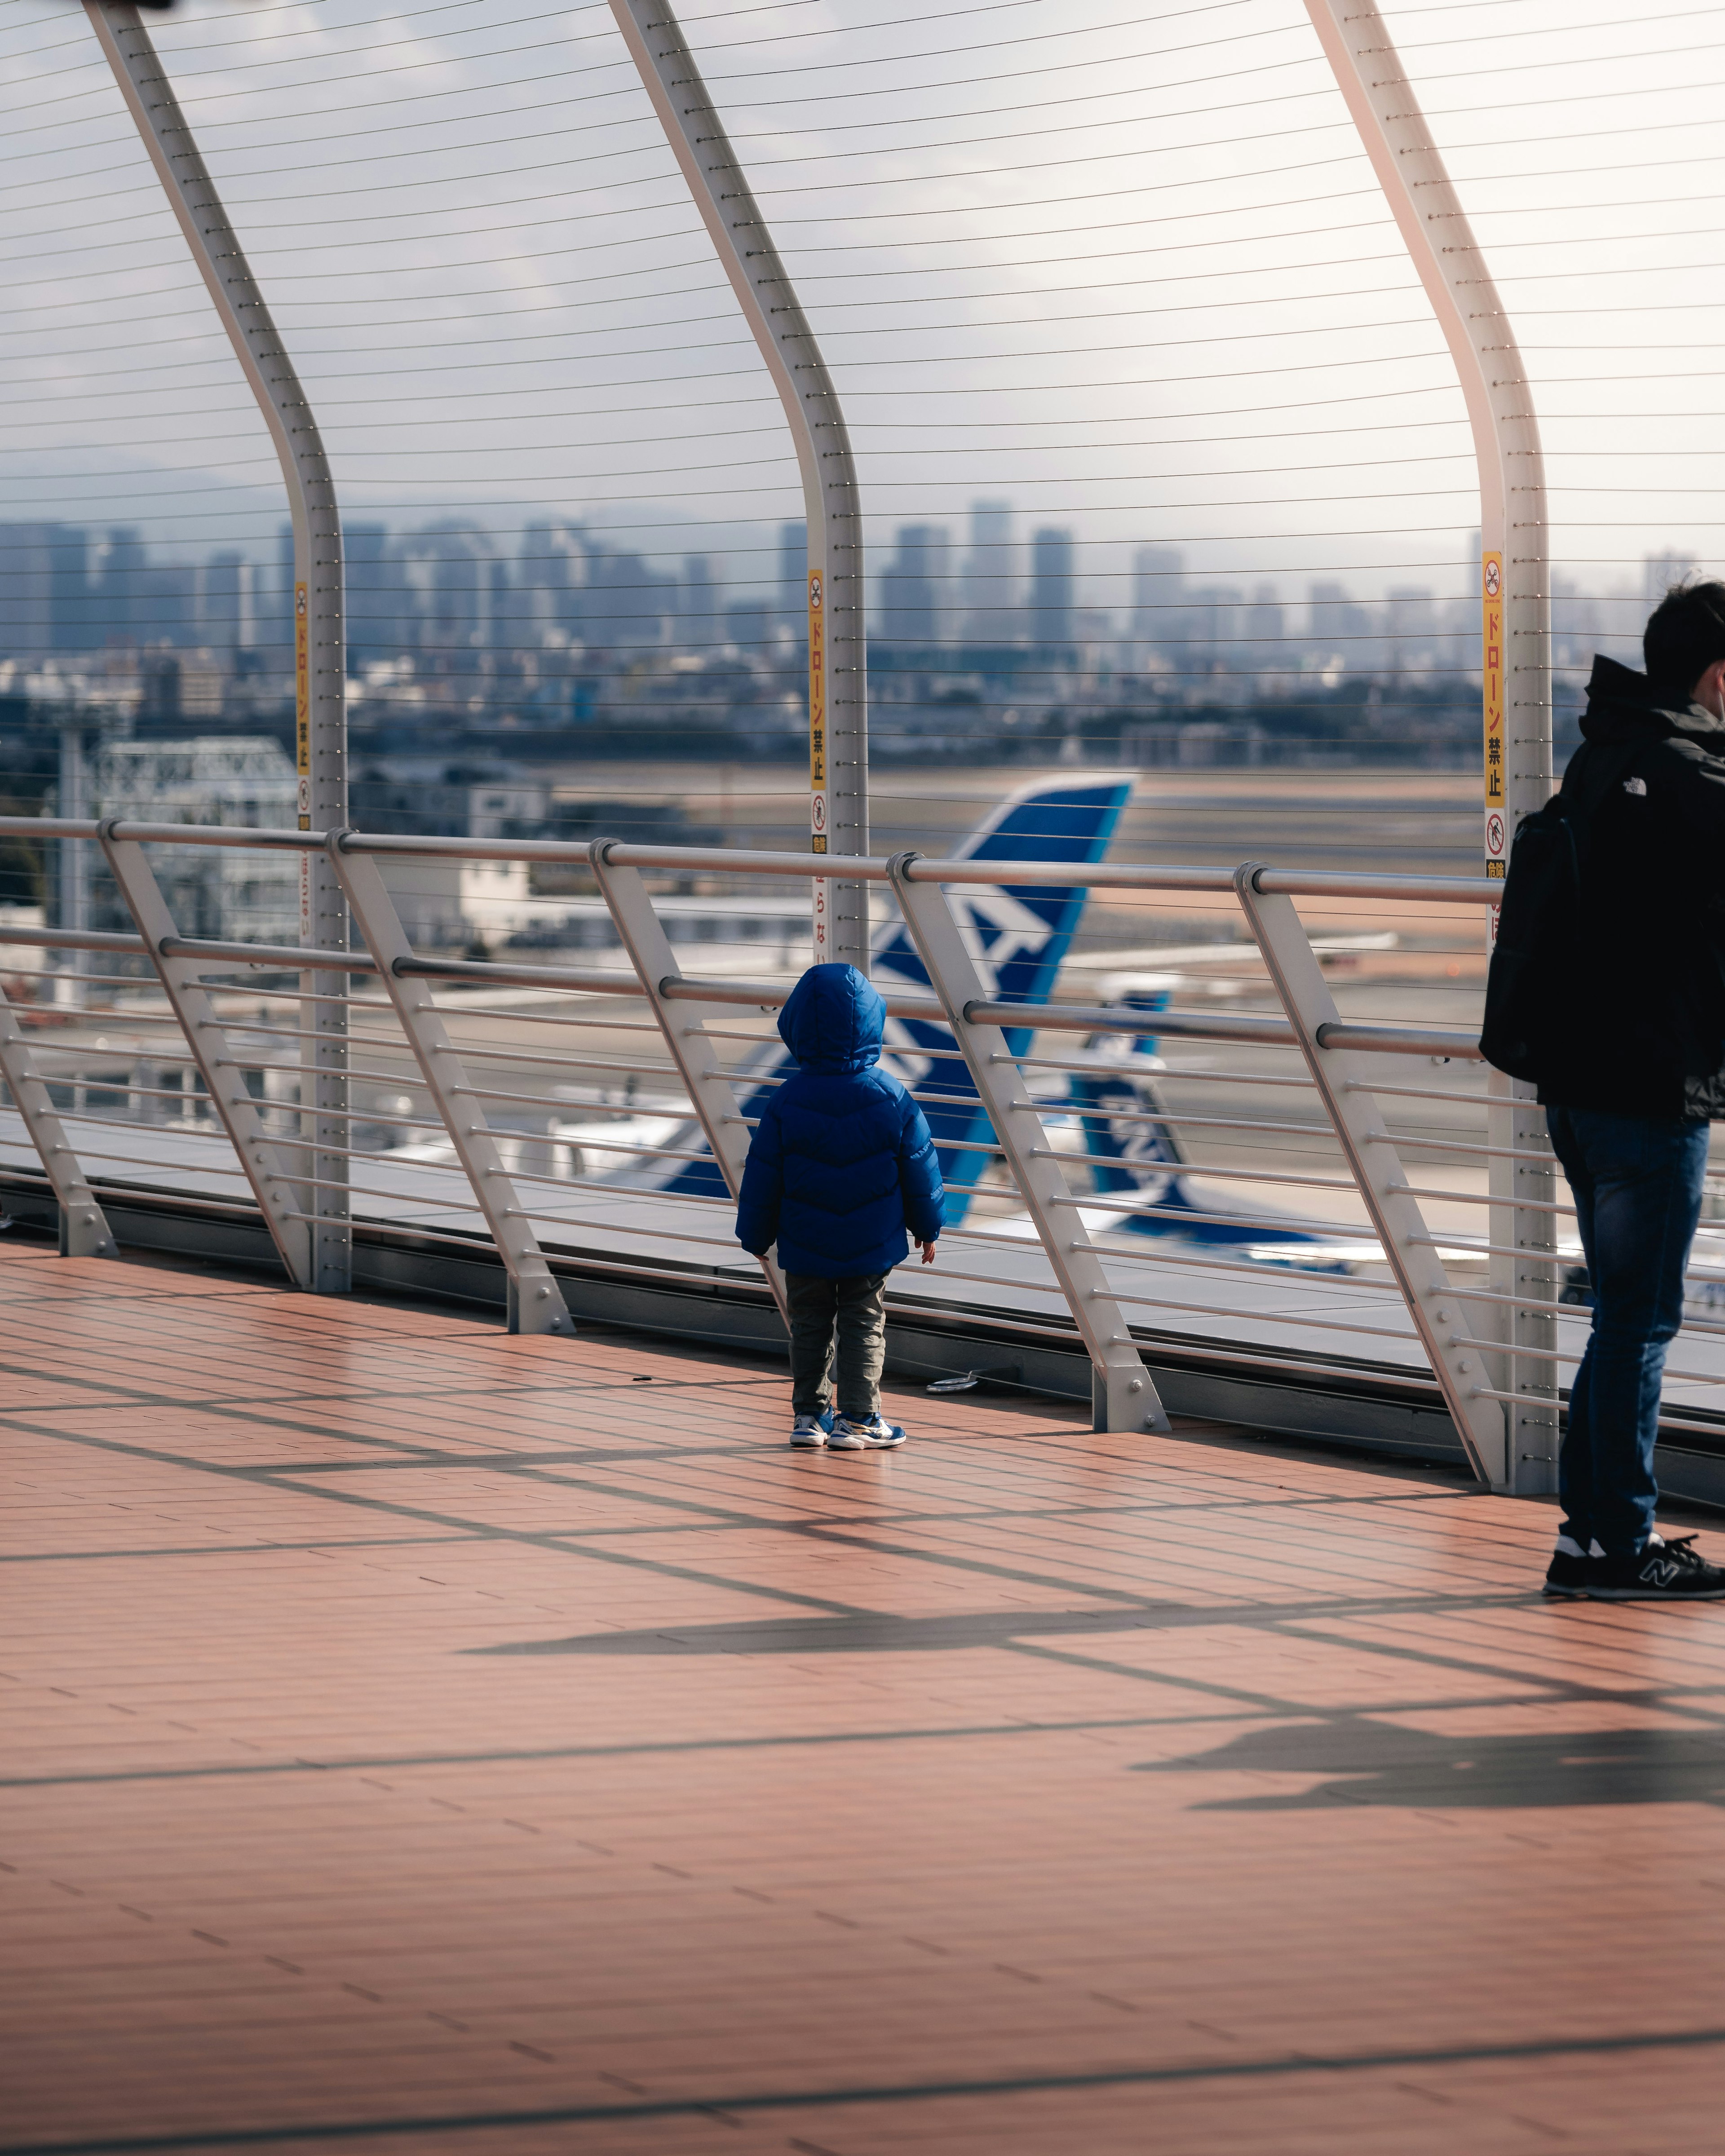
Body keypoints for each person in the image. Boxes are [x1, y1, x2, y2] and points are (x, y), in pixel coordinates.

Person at [1538, 580, 1725, 1599]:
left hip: (1579, 1082)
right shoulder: (1692, 771)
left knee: (1620, 1317)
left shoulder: (1600, 754)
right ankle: (1611, 1540)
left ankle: (1591, 1539)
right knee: (1638, 1322)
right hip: (1650, 1092)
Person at [736, 961, 945, 1450]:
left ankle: (809, 1417)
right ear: (874, 1023)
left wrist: (755, 1235)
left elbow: (763, 1175)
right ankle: (860, 1418)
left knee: (809, 1324)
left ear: (795, 1027)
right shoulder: (891, 1095)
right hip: (870, 1241)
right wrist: (928, 1227)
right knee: (863, 1322)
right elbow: (920, 1168)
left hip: (805, 1239)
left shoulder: (786, 1099)